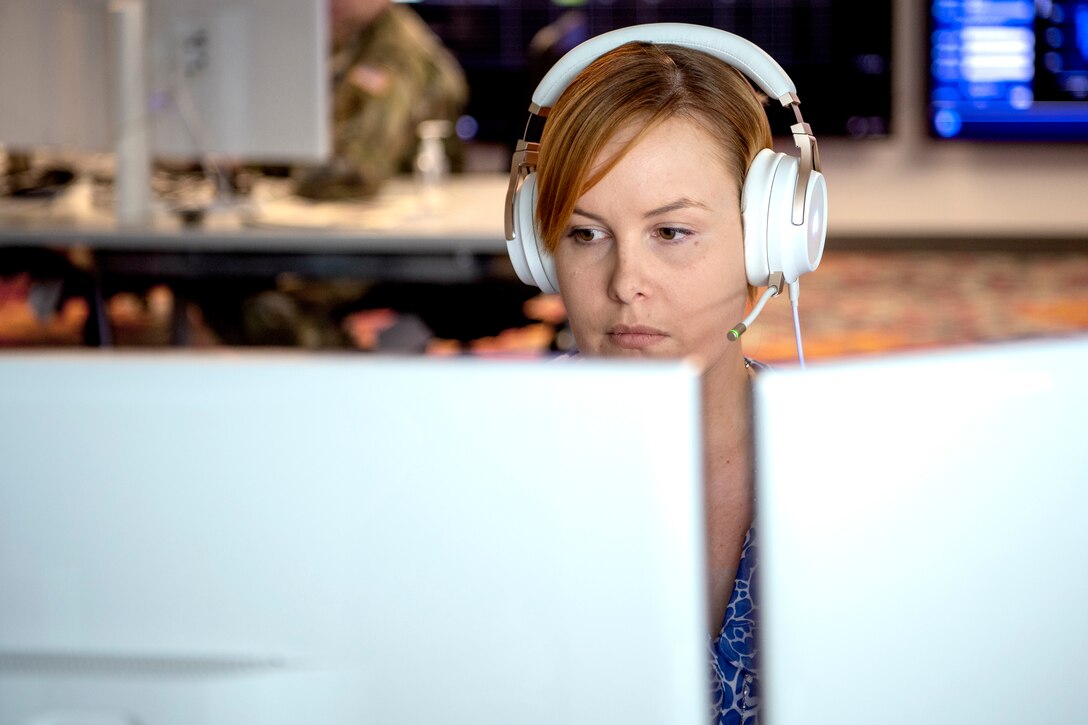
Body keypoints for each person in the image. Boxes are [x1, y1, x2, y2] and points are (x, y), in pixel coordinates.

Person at [521, 32, 812, 724]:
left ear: (767, 239)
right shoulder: (486, 459)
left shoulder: (845, 461)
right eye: (585, 234)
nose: (626, 285)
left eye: (671, 233)